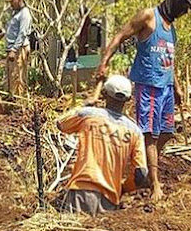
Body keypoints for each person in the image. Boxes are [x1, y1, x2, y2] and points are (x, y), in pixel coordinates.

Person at [95, 0, 191, 202]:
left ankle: (142, 168)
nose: (184, 12)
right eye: (184, 6)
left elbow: (169, 60)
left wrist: (178, 87)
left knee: (167, 132)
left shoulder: (171, 27)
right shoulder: (147, 17)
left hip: (166, 88)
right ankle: (154, 183)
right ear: (175, 0)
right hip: (148, 86)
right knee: (150, 135)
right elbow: (119, 37)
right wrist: (103, 63)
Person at [57, 75, 148, 216]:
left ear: (104, 94)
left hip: (81, 190)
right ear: (128, 100)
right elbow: (141, 174)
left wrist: (86, 104)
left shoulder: (88, 115)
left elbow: (61, 124)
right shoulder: (135, 132)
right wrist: (123, 187)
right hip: (110, 199)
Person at [3, 0, 32, 97]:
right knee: (13, 75)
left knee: (18, 76)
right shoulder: (17, 14)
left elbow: (22, 33)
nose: (11, 4)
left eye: (12, 1)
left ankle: (20, 101)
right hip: (13, 48)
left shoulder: (25, 14)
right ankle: (13, 97)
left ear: (19, 0)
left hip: (19, 49)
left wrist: (14, 50)